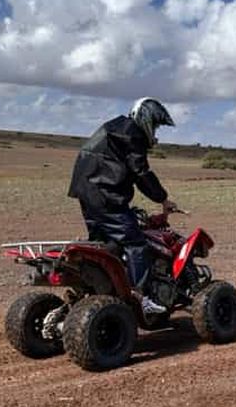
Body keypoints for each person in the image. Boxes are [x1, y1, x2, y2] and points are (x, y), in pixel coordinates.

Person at [68, 97, 179, 316]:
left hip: (86, 193)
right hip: (107, 196)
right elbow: (141, 173)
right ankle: (141, 296)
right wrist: (163, 199)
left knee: (105, 245)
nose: (155, 129)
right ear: (145, 118)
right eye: (155, 124)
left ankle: (102, 293)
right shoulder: (132, 134)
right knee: (136, 243)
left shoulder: (114, 127)